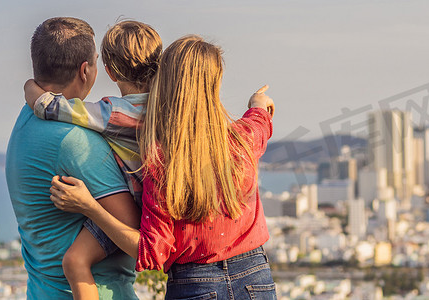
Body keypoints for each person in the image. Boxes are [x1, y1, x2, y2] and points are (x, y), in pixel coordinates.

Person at [47, 35, 277, 299]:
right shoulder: (245, 138)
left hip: (194, 284)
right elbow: (261, 120)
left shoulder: (162, 161)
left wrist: (89, 206)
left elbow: (151, 251)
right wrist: (258, 102)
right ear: (216, 84)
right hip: (256, 277)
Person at [22, 20, 162, 300]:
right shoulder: (170, 108)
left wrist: (28, 86)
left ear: (108, 71)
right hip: (158, 206)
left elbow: (51, 107)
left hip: (132, 206)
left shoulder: (113, 114)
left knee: (75, 262)